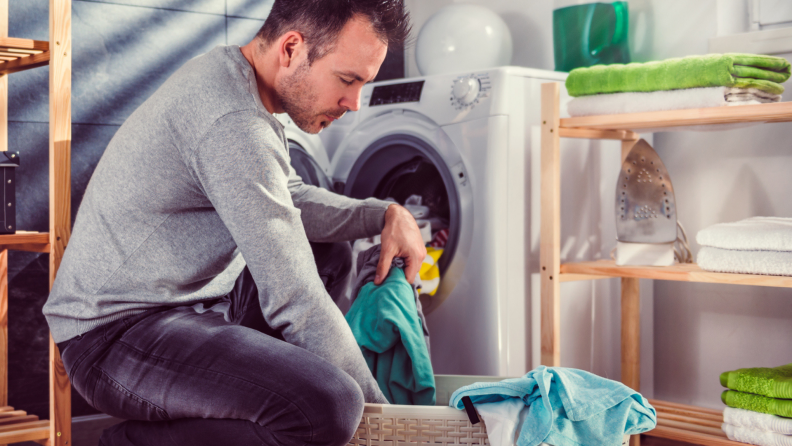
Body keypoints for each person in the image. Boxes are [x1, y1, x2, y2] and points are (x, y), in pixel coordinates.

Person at [42, 1, 422, 445]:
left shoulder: (236, 80)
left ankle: (268, 402)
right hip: (115, 336)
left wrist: (385, 214)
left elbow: (291, 198)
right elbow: (294, 297)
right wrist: (389, 426)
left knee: (329, 253)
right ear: (292, 48)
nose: (353, 103)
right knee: (331, 406)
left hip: (189, 307)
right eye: (347, 79)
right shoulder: (233, 121)